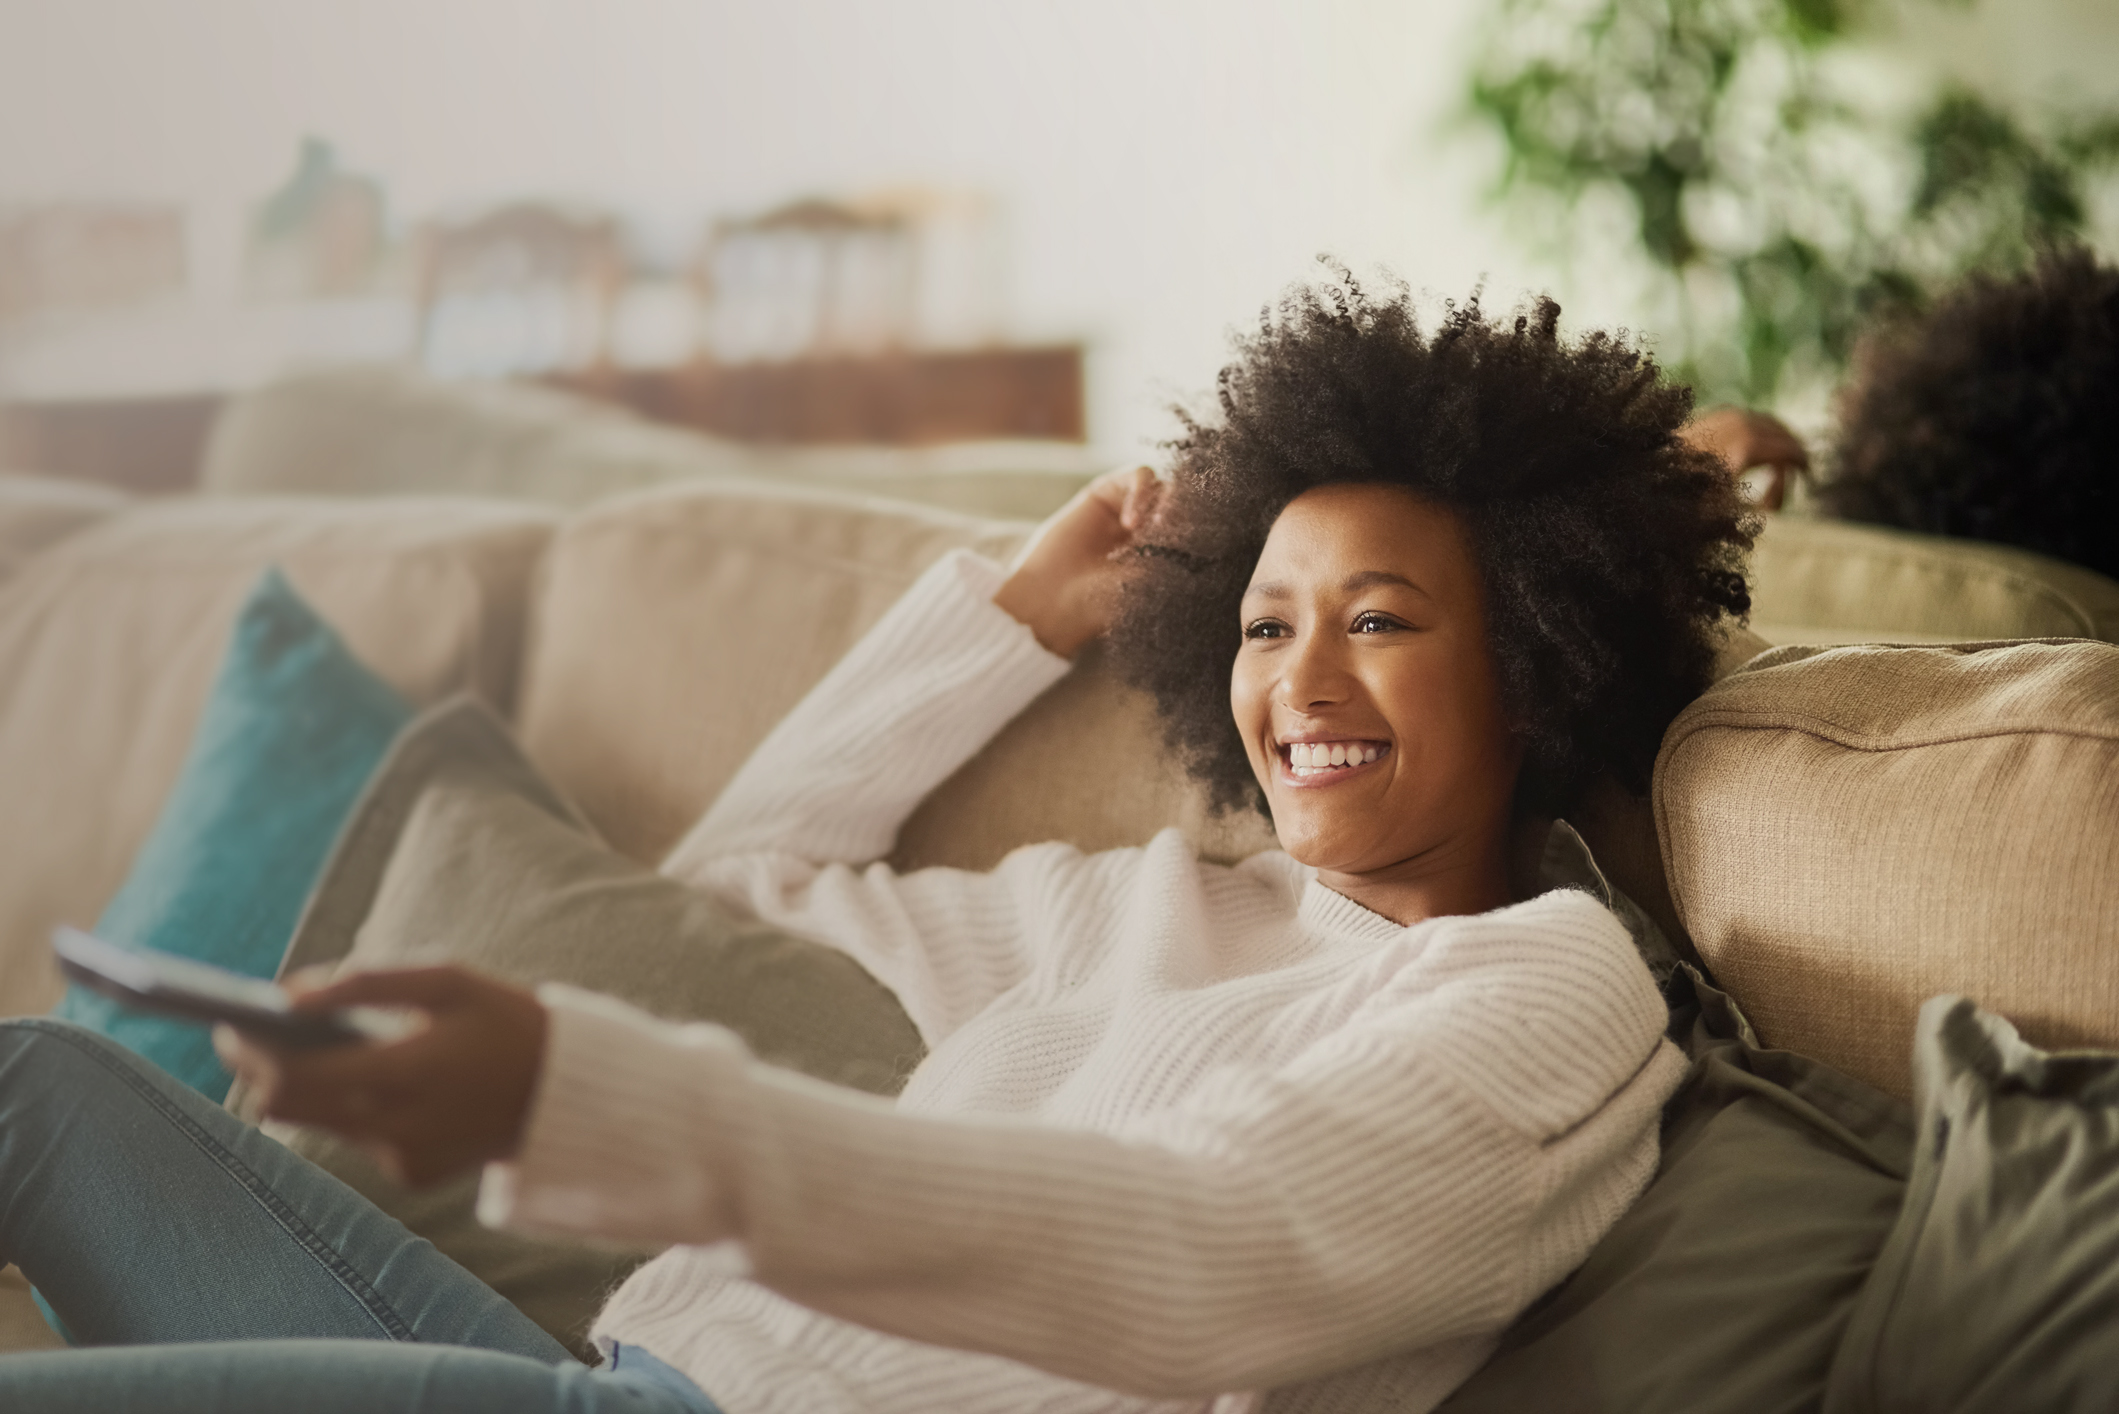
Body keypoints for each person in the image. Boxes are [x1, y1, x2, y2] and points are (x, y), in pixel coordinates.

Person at [0, 272, 1755, 1414]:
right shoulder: (1138, 911)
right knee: (37, 1080)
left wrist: (567, 1099)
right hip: (602, 1369)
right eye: (1261, 621)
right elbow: (736, 895)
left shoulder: (1547, 988)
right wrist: (1004, 622)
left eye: (1375, 619)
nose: (1299, 677)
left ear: (1532, 659)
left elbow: (1202, 1256)